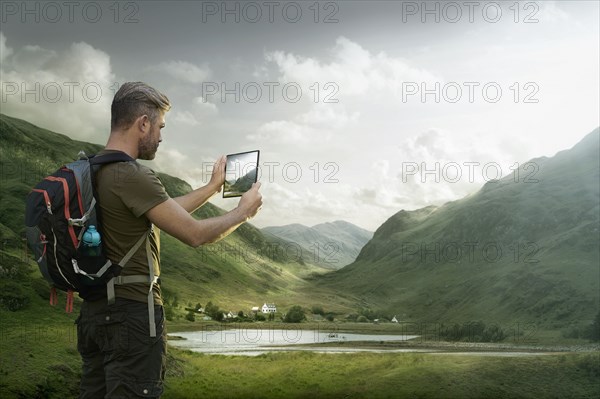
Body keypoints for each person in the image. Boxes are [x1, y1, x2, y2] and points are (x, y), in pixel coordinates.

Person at [76, 81, 262, 398]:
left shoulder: (90, 171)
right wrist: (242, 212)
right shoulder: (132, 175)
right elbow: (194, 234)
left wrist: (212, 187)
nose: (161, 136)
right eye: (160, 127)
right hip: (132, 317)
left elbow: (167, 212)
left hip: (94, 315)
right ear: (143, 123)